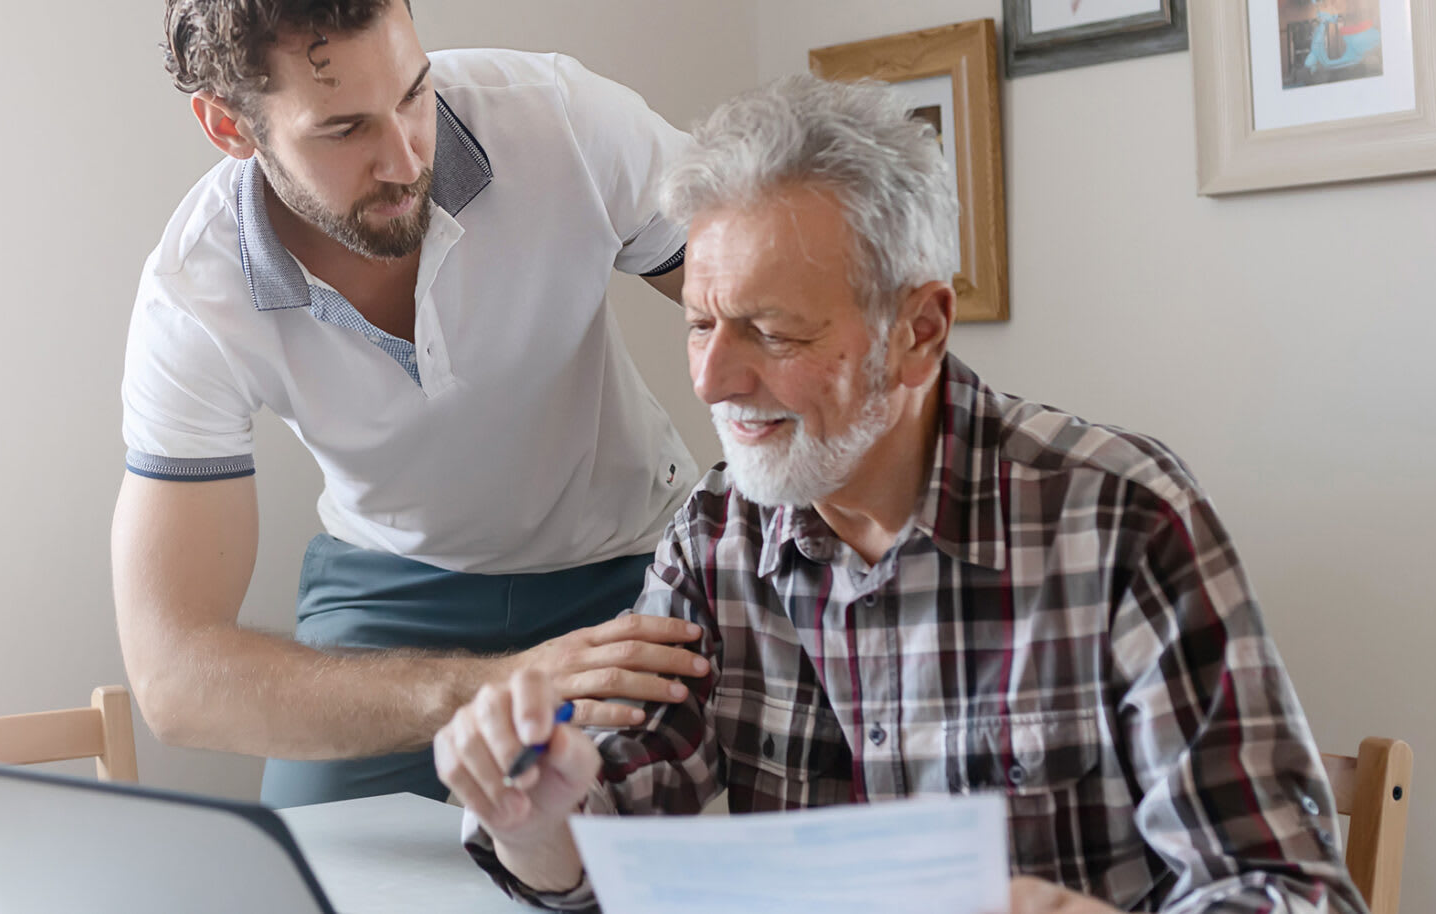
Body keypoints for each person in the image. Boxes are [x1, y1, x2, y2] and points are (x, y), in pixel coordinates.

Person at [434, 74, 1365, 914]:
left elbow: (1285, 893)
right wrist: (531, 818)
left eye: (773, 333)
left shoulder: (1121, 521)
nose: (714, 380)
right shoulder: (713, 537)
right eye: (702, 324)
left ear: (918, 330)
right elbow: (601, 836)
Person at [116, 0, 714, 807]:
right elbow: (176, 679)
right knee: (321, 880)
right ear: (231, 129)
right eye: (343, 129)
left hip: (624, 565)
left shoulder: (563, 118)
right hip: (387, 595)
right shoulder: (193, 295)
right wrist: (494, 685)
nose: (405, 159)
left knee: (637, 865)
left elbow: (780, 311)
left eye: (413, 94)